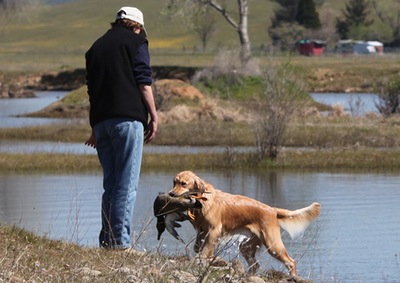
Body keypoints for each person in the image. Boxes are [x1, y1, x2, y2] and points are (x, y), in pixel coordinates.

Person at [84, 6, 157, 250]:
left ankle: (107, 241)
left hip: (102, 124)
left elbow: (92, 91)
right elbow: (144, 82)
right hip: (128, 121)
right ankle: (120, 245)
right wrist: (154, 116)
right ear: (136, 26)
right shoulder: (137, 42)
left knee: (111, 185)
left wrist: (95, 127)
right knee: (126, 185)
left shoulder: (95, 48)